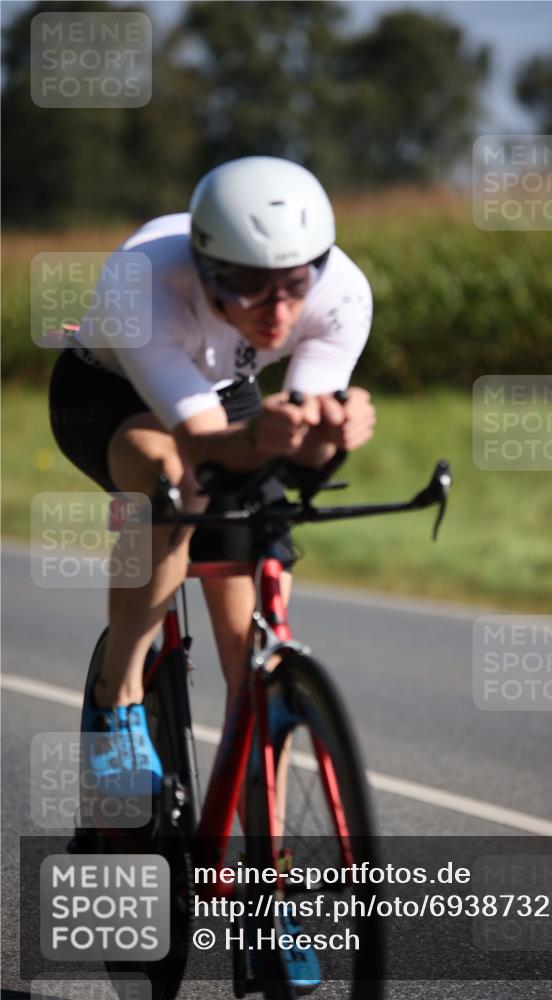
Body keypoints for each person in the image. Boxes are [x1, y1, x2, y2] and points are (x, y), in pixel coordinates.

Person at [49, 156, 375, 991]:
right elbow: (197, 443)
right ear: (202, 265)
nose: (277, 310)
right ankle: (118, 697)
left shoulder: (340, 293)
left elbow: (293, 427)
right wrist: (285, 437)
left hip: (229, 400)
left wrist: (329, 431)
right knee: (169, 487)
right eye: (246, 287)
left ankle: (269, 893)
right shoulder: (143, 283)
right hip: (112, 395)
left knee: (249, 652)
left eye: (293, 285)